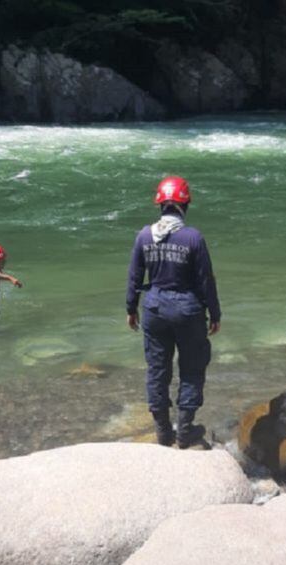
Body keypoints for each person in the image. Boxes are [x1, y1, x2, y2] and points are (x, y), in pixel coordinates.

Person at [126, 176, 221, 448]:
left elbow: (134, 276)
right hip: (188, 310)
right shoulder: (193, 238)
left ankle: (163, 432)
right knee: (192, 368)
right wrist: (215, 314)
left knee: (157, 369)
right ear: (185, 205)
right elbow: (206, 280)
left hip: (154, 309)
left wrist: (131, 308)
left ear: (161, 205)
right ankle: (185, 432)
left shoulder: (144, 236)